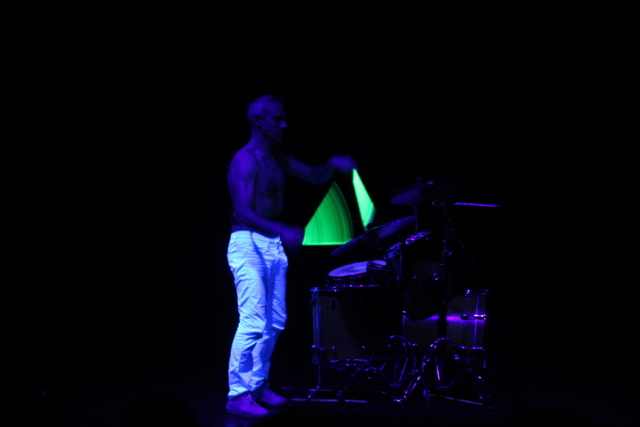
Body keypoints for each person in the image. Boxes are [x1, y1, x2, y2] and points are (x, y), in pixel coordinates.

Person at [226, 95, 356, 418]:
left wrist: (332, 164)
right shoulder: (245, 160)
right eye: (277, 119)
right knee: (253, 321)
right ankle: (237, 394)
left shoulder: (277, 157)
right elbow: (242, 211)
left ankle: (258, 385)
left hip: (271, 244)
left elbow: (314, 175)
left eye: (285, 118)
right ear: (258, 121)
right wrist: (284, 229)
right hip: (247, 243)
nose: (284, 125)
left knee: (275, 321)